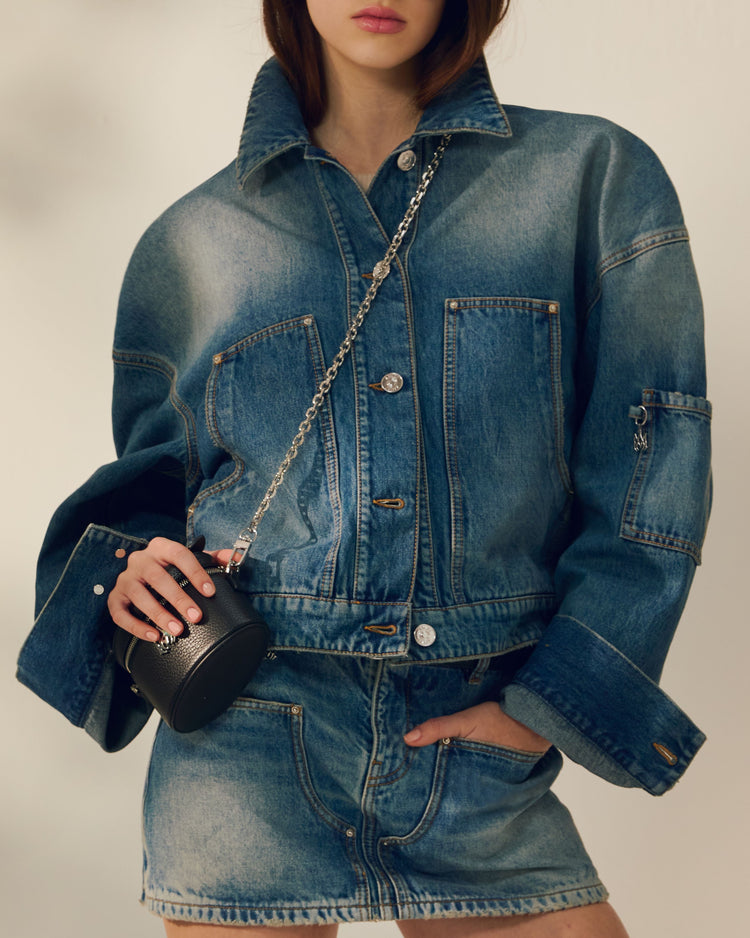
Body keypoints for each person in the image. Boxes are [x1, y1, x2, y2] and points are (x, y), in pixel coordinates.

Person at [17, 1, 712, 936]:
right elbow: (153, 489)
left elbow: (651, 470)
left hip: (474, 744)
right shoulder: (189, 242)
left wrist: (548, 705)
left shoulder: (592, 177)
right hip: (244, 747)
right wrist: (134, 566)